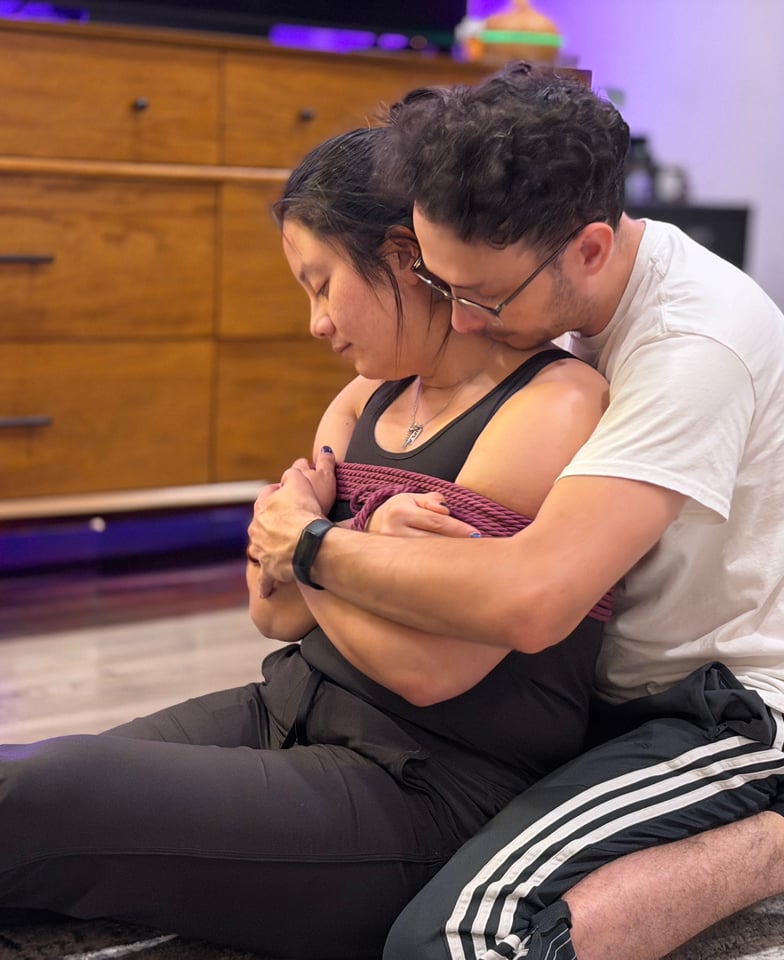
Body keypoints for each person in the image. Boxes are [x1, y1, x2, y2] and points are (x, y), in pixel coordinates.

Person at [247, 65, 784, 960]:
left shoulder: (694, 343)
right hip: (605, 689)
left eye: (482, 299)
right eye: (443, 286)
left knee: (466, 939)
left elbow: (535, 595)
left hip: (738, 702)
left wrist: (311, 546)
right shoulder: (555, 309)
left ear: (587, 248)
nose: (460, 323)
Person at [0, 127, 613, 960]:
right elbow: (272, 611)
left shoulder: (553, 404)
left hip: (420, 787)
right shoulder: (363, 400)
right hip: (288, 706)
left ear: (405, 255)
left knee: (45, 795)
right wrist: (348, 553)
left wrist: (317, 544)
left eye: (323, 285)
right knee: (22, 784)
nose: (317, 323)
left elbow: (432, 669)